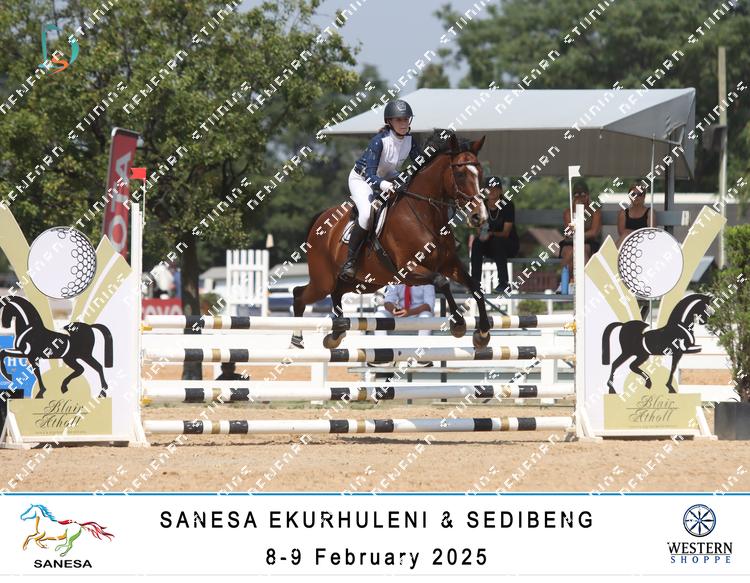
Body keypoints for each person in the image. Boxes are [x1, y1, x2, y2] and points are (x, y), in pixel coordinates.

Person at [340, 99, 423, 281]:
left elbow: (421, 165)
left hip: (387, 175)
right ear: (389, 122)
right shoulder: (379, 142)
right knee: (366, 215)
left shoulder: (410, 140)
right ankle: (350, 262)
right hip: (362, 179)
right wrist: (385, 185)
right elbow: (370, 175)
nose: (403, 123)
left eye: (406, 119)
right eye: (399, 120)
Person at [469, 176, 519, 293]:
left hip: (508, 245)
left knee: (498, 241)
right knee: (477, 242)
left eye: (495, 188)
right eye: (489, 188)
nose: (492, 191)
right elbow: (478, 230)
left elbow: (506, 233)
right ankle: (475, 282)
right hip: (489, 245)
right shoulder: (481, 205)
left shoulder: (507, 205)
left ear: (500, 190)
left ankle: (503, 283)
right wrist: (475, 213)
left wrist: (490, 233)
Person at [375, 284, 435, 366]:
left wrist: (409, 312)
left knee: (426, 316)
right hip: (399, 314)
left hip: (418, 315)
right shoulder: (396, 279)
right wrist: (393, 310)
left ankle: (422, 358)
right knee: (379, 315)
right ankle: (382, 355)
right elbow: (388, 301)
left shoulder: (425, 280)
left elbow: (429, 305)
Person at [559, 180, 601, 290]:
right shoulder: (568, 212)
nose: (581, 198)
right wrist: (576, 211)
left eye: (583, 195)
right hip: (571, 242)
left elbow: (594, 232)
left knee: (580, 250)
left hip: (588, 242)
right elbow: (570, 231)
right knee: (570, 252)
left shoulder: (594, 211)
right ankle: (567, 283)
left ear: (588, 195)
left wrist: (579, 236)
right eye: (577, 195)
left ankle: (583, 284)